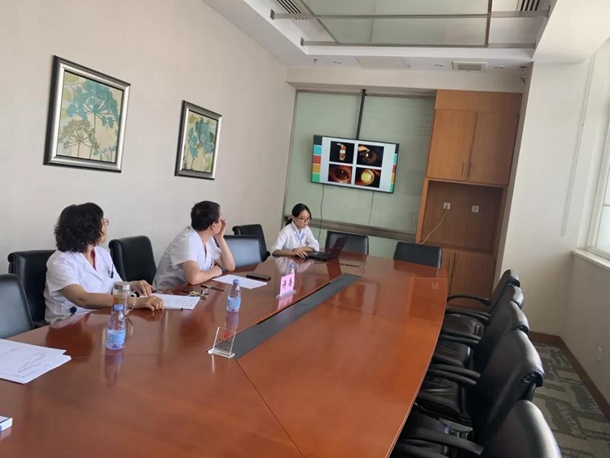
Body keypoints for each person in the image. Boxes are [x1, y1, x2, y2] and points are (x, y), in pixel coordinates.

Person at [44, 203, 163, 324]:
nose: (105, 225)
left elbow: (114, 286)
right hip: (68, 323)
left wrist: (132, 285)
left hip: (101, 317)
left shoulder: (102, 253)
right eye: (102, 222)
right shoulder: (60, 262)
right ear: (88, 229)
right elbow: (82, 299)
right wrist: (134, 302)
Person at [153, 201, 235, 290]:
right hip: (167, 293)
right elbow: (194, 278)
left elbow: (230, 266)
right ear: (213, 226)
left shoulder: (209, 239)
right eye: (221, 220)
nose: (223, 223)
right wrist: (213, 272)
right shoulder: (187, 240)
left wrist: (220, 238)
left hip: (190, 291)